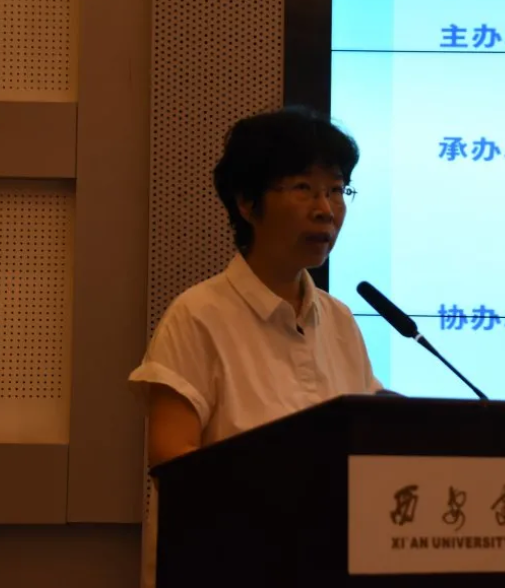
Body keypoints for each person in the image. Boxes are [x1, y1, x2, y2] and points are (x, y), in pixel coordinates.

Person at [128, 106, 384, 587]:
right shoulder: (197, 315)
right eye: (304, 188)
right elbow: (170, 459)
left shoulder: (341, 321)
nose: (325, 209)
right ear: (247, 203)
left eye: (336, 190)